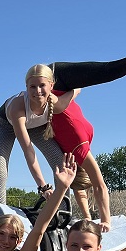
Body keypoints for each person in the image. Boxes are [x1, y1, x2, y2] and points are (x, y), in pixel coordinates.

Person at [0, 49, 126, 204]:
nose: (37, 91)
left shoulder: (57, 101)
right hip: (6, 126)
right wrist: (42, 186)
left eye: (42, 86)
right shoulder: (18, 108)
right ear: (26, 87)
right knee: (1, 166)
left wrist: (77, 86)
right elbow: (28, 151)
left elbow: (73, 93)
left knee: (61, 165)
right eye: (32, 87)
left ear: (52, 86)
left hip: (40, 121)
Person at [40, 82, 112, 230]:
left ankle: (88, 215)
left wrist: (90, 217)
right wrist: (105, 220)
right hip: (60, 98)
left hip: (57, 99)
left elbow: (95, 187)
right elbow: (99, 186)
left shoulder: (79, 151)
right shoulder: (81, 150)